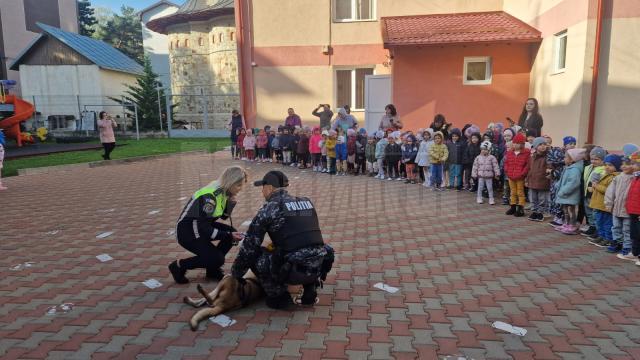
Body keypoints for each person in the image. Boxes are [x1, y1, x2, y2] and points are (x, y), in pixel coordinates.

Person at [231, 171, 334, 308]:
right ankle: (310, 287)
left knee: (256, 255)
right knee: (305, 247)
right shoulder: (306, 202)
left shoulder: (269, 208)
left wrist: (236, 274)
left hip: (294, 270)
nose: (262, 192)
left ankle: (279, 297)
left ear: (270, 188)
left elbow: (249, 247)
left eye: (263, 187)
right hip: (318, 265)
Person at [169, 166, 247, 284]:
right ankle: (178, 266)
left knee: (231, 233)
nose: (241, 189)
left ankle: (212, 269)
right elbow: (204, 229)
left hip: (199, 227)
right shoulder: (210, 197)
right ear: (231, 182)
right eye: (239, 185)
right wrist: (229, 235)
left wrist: (230, 204)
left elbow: (224, 217)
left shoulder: (223, 190)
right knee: (218, 257)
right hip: (187, 232)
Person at [588, 155, 621, 247]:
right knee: (599, 222)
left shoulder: (614, 177)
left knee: (607, 223)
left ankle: (608, 239)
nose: (607, 167)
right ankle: (601, 236)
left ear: (617, 166)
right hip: (599, 204)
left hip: (606, 205)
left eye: (610, 165)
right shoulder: (606, 175)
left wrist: (596, 186)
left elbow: (608, 190)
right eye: (606, 164)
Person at [604, 155, 634, 255]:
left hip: (627, 210)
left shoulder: (634, 178)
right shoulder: (617, 178)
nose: (624, 166)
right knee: (615, 227)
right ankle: (617, 242)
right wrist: (608, 204)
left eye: (628, 164)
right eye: (623, 164)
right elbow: (610, 192)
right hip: (616, 209)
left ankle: (627, 246)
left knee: (627, 229)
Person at [555, 148, 587, 234]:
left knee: (570, 210)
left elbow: (573, 183)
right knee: (565, 210)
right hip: (565, 195)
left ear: (572, 159)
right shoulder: (568, 168)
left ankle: (572, 225)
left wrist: (563, 191)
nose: (564, 159)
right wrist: (558, 185)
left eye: (565, 157)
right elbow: (563, 179)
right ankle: (566, 223)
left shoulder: (575, 170)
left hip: (570, 195)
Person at [504, 133, 531, 217]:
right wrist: (507, 171)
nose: (515, 144)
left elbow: (527, 165)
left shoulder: (526, 153)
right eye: (514, 143)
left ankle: (520, 208)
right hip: (511, 176)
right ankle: (513, 206)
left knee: (520, 192)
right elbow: (506, 163)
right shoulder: (509, 153)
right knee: (512, 192)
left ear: (522, 144)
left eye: (518, 143)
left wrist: (523, 174)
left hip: (520, 177)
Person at [526, 137, 551, 222]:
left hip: (543, 182)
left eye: (544, 144)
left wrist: (549, 171)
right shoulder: (532, 157)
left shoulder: (548, 156)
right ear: (535, 146)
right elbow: (530, 169)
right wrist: (527, 179)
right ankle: (534, 212)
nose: (543, 146)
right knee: (533, 198)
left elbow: (550, 167)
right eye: (540, 144)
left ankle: (540, 212)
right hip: (533, 181)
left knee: (542, 199)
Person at [625, 151, 640, 265]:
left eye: (634, 163)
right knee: (634, 233)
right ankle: (635, 253)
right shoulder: (635, 177)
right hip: (633, 210)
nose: (632, 166)